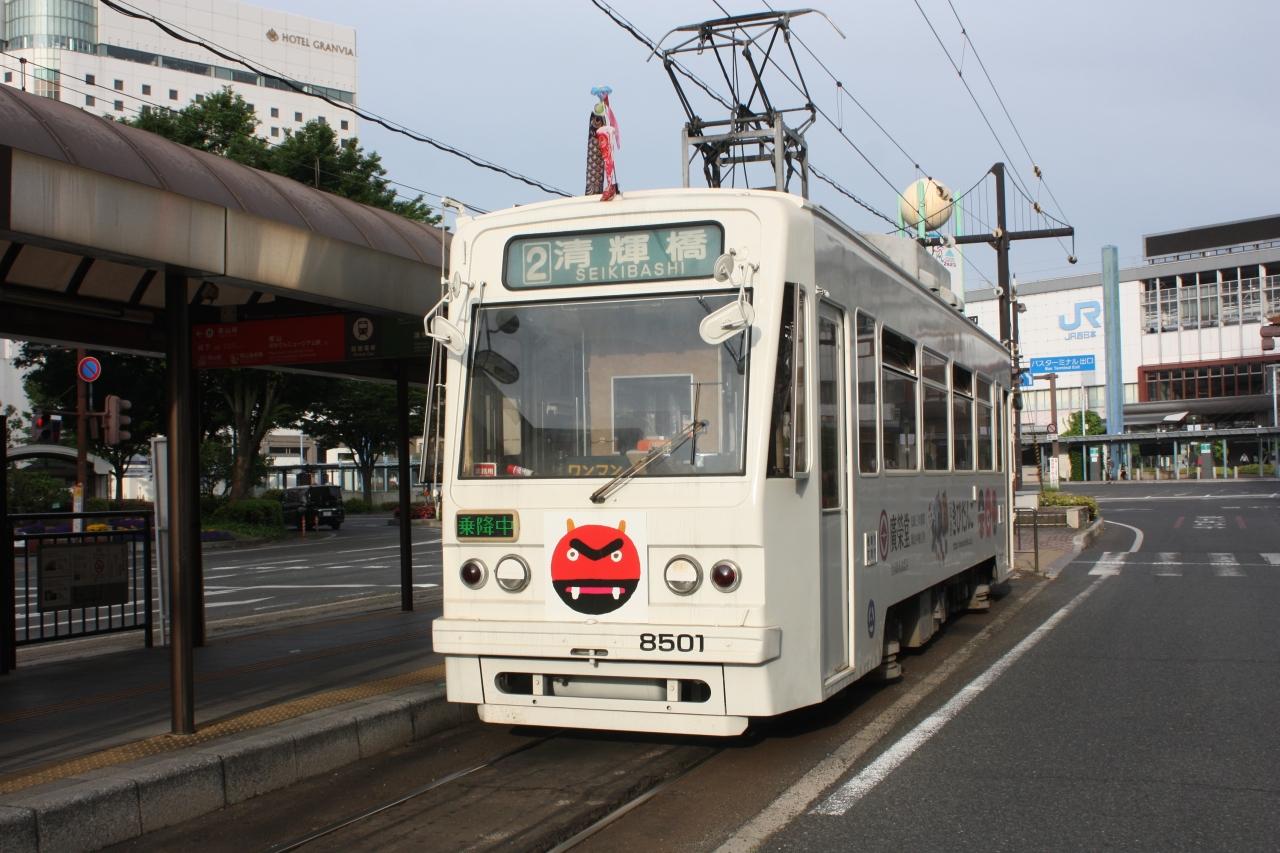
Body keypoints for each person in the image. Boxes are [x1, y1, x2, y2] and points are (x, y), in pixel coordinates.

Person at [585, 87, 620, 200]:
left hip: (606, 135)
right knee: (603, 160)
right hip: (602, 136)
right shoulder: (600, 109)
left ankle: (610, 185)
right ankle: (607, 185)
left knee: (608, 160)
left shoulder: (606, 109)